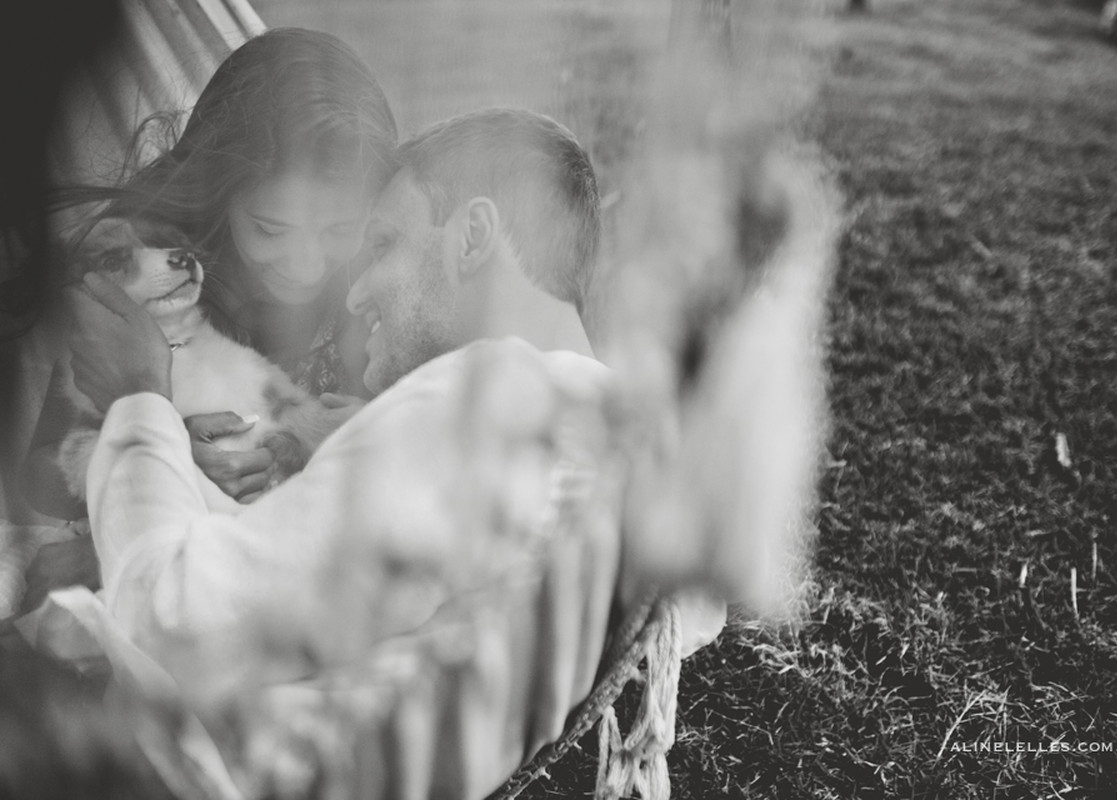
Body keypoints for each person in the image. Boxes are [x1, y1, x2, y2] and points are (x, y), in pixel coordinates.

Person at [53, 107, 723, 797]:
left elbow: (169, 625)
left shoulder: (490, 398)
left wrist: (137, 402)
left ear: (472, 236)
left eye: (383, 246)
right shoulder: (627, 457)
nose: (354, 291)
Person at [15, 27, 398, 613]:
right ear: (219, 189)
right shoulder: (148, 267)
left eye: (339, 231)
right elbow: (41, 472)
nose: (306, 264)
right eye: (270, 229)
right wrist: (158, 444)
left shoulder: (367, 280)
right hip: (170, 568)